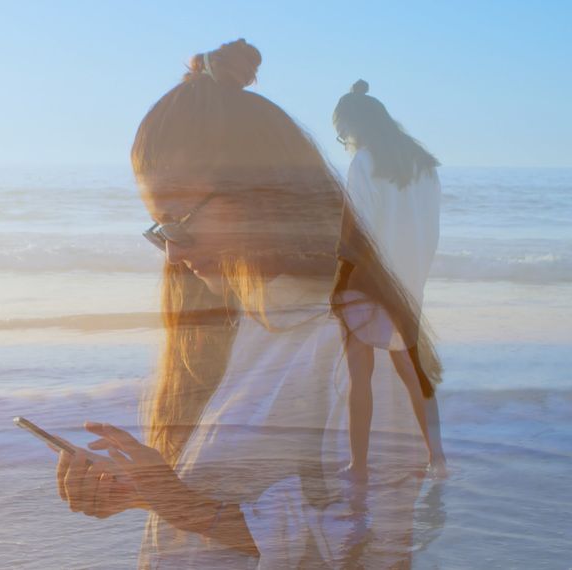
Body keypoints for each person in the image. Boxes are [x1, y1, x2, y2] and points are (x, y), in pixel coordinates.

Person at [51, 40, 440, 567]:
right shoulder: (238, 329)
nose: (171, 250)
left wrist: (181, 505)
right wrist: (143, 493)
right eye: (157, 226)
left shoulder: (350, 349)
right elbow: (234, 507)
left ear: (263, 195)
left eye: (179, 219)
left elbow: (375, 545)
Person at [333, 79, 448, 480]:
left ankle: (359, 466)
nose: (343, 139)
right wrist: (416, 276)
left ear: (355, 126)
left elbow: (358, 230)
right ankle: (437, 457)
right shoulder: (424, 164)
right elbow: (429, 228)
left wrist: (340, 284)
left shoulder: (364, 162)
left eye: (342, 131)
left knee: (359, 375)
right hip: (408, 280)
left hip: (368, 280)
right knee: (415, 373)